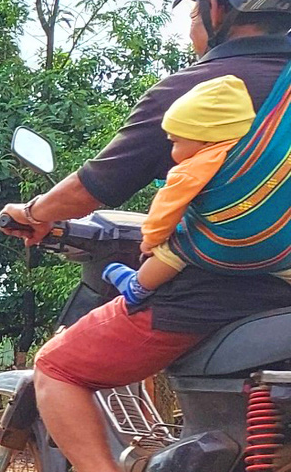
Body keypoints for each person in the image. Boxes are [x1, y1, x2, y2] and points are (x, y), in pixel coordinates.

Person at [0, 0, 291, 472]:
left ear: (217, 9)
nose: (191, 28)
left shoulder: (203, 89)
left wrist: (33, 213)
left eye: (193, 15)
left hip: (212, 291)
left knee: (58, 366)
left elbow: (96, 184)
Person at [102, 75, 260, 305]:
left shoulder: (192, 169)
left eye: (175, 142)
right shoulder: (254, 153)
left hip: (226, 245)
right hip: (273, 244)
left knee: (174, 250)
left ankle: (138, 286)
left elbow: (165, 213)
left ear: (206, 140)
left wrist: (150, 241)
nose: (172, 151)